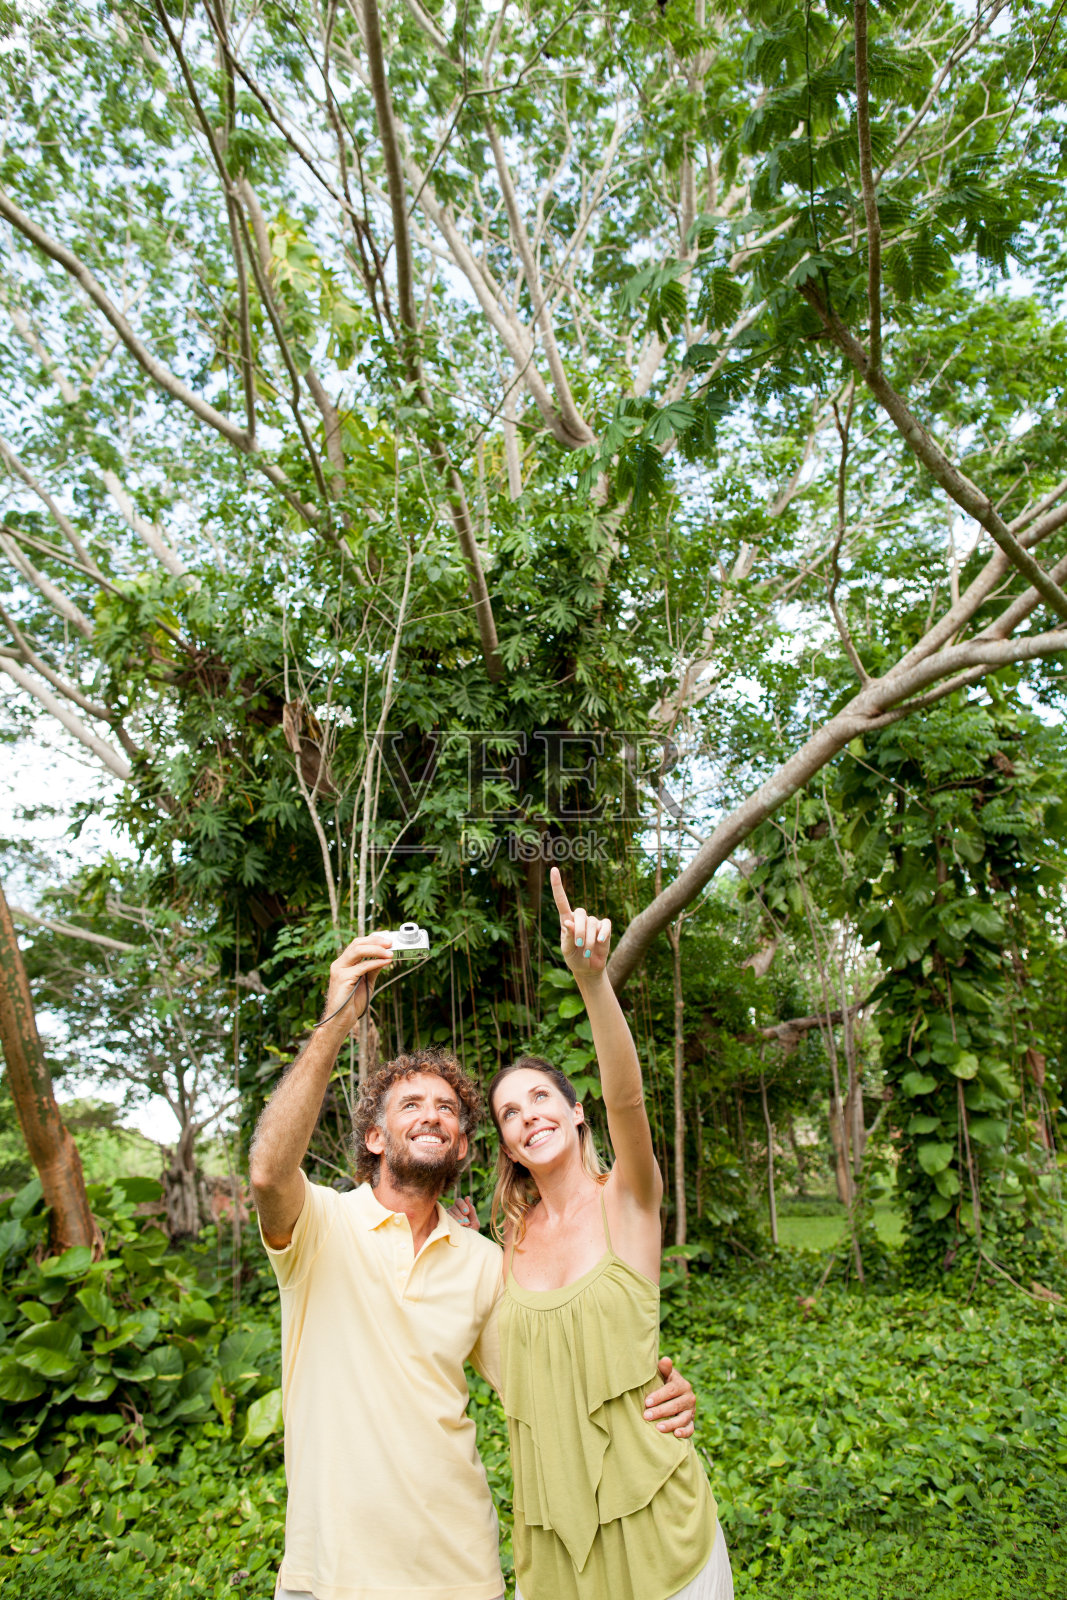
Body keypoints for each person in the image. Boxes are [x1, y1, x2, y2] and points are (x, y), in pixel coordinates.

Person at [249, 930, 697, 1600]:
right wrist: (337, 1020)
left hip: (462, 1575)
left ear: (462, 1148)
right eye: (410, 1105)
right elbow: (265, 1173)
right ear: (374, 1137)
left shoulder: (489, 1262)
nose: (432, 1116)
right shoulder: (319, 1227)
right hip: (330, 1575)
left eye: (449, 1111)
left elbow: (550, 1380)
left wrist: (657, 1392)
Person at [488, 868, 734, 1600]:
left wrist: (591, 982)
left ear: (575, 1115)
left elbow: (627, 1096)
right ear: (506, 1145)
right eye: (508, 1112)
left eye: (541, 1098)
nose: (528, 1113)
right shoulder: (504, 1244)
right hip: (555, 1549)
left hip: (657, 1526)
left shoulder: (627, 1199)